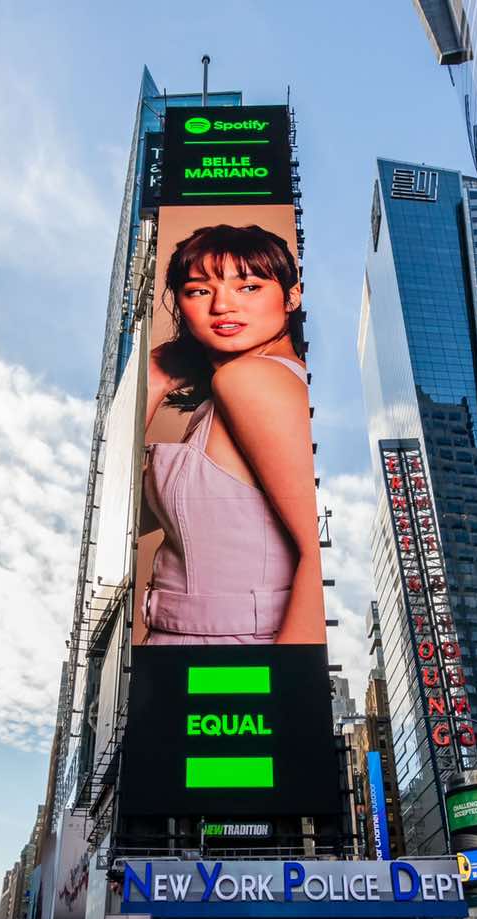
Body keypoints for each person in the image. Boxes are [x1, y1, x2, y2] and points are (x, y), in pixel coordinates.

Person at [141, 222, 322, 646]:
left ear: (292, 296)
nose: (222, 305)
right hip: (199, 649)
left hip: (230, 653)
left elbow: (318, 555)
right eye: (200, 290)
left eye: (249, 287)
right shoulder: (224, 397)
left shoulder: (250, 381)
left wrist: (280, 694)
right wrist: (154, 380)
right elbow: (129, 525)